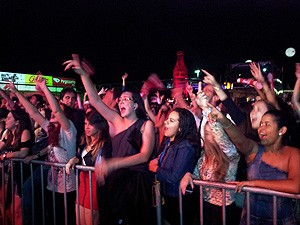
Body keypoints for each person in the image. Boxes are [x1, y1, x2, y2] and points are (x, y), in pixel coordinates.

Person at [64, 54, 155, 225]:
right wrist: (83, 74)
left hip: (136, 184)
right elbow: (95, 100)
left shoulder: (145, 125)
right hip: (116, 180)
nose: (121, 101)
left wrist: (113, 163)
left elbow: (144, 156)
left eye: (126, 99)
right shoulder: (116, 120)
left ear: (135, 105)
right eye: (120, 99)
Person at [208, 105, 300, 225]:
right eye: (261, 124)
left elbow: (295, 186)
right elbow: (240, 140)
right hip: (251, 217)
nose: (261, 129)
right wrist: (222, 119)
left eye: (267, 125)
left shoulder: (293, 154)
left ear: (281, 130)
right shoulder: (255, 150)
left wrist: (254, 184)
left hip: (281, 219)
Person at [5, 78, 77, 225]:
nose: (53, 113)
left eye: (58, 112)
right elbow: (32, 112)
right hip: (52, 183)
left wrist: (44, 87)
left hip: (65, 187)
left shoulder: (69, 130)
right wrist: (15, 91)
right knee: (51, 217)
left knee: (64, 219)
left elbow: (56, 109)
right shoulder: (52, 129)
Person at [149, 108, 200, 225]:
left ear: (181, 127)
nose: (166, 122)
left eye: (171, 121)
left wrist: (155, 169)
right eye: (167, 119)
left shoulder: (185, 147)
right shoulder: (170, 142)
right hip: (168, 196)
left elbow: (174, 176)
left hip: (179, 200)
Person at [66, 110, 112, 225]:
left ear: (99, 125)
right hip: (82, 183)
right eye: (85, 124)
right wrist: (73, 159)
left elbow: (99, 162)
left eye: (90, 124)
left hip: (95, 185)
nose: (87, 127)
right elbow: (79, 157)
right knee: (79, 219)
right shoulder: (84, 142)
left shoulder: (105, 144)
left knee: (90, 219)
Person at [0, 108, 33, 225]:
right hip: (8, 175)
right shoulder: (8, 134)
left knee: (17, 209)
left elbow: (23, 153)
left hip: (20, 175)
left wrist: (6, 155)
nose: (5, 120)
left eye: (9, 118)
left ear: (17, 122)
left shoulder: (25, 132)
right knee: (5, 206)